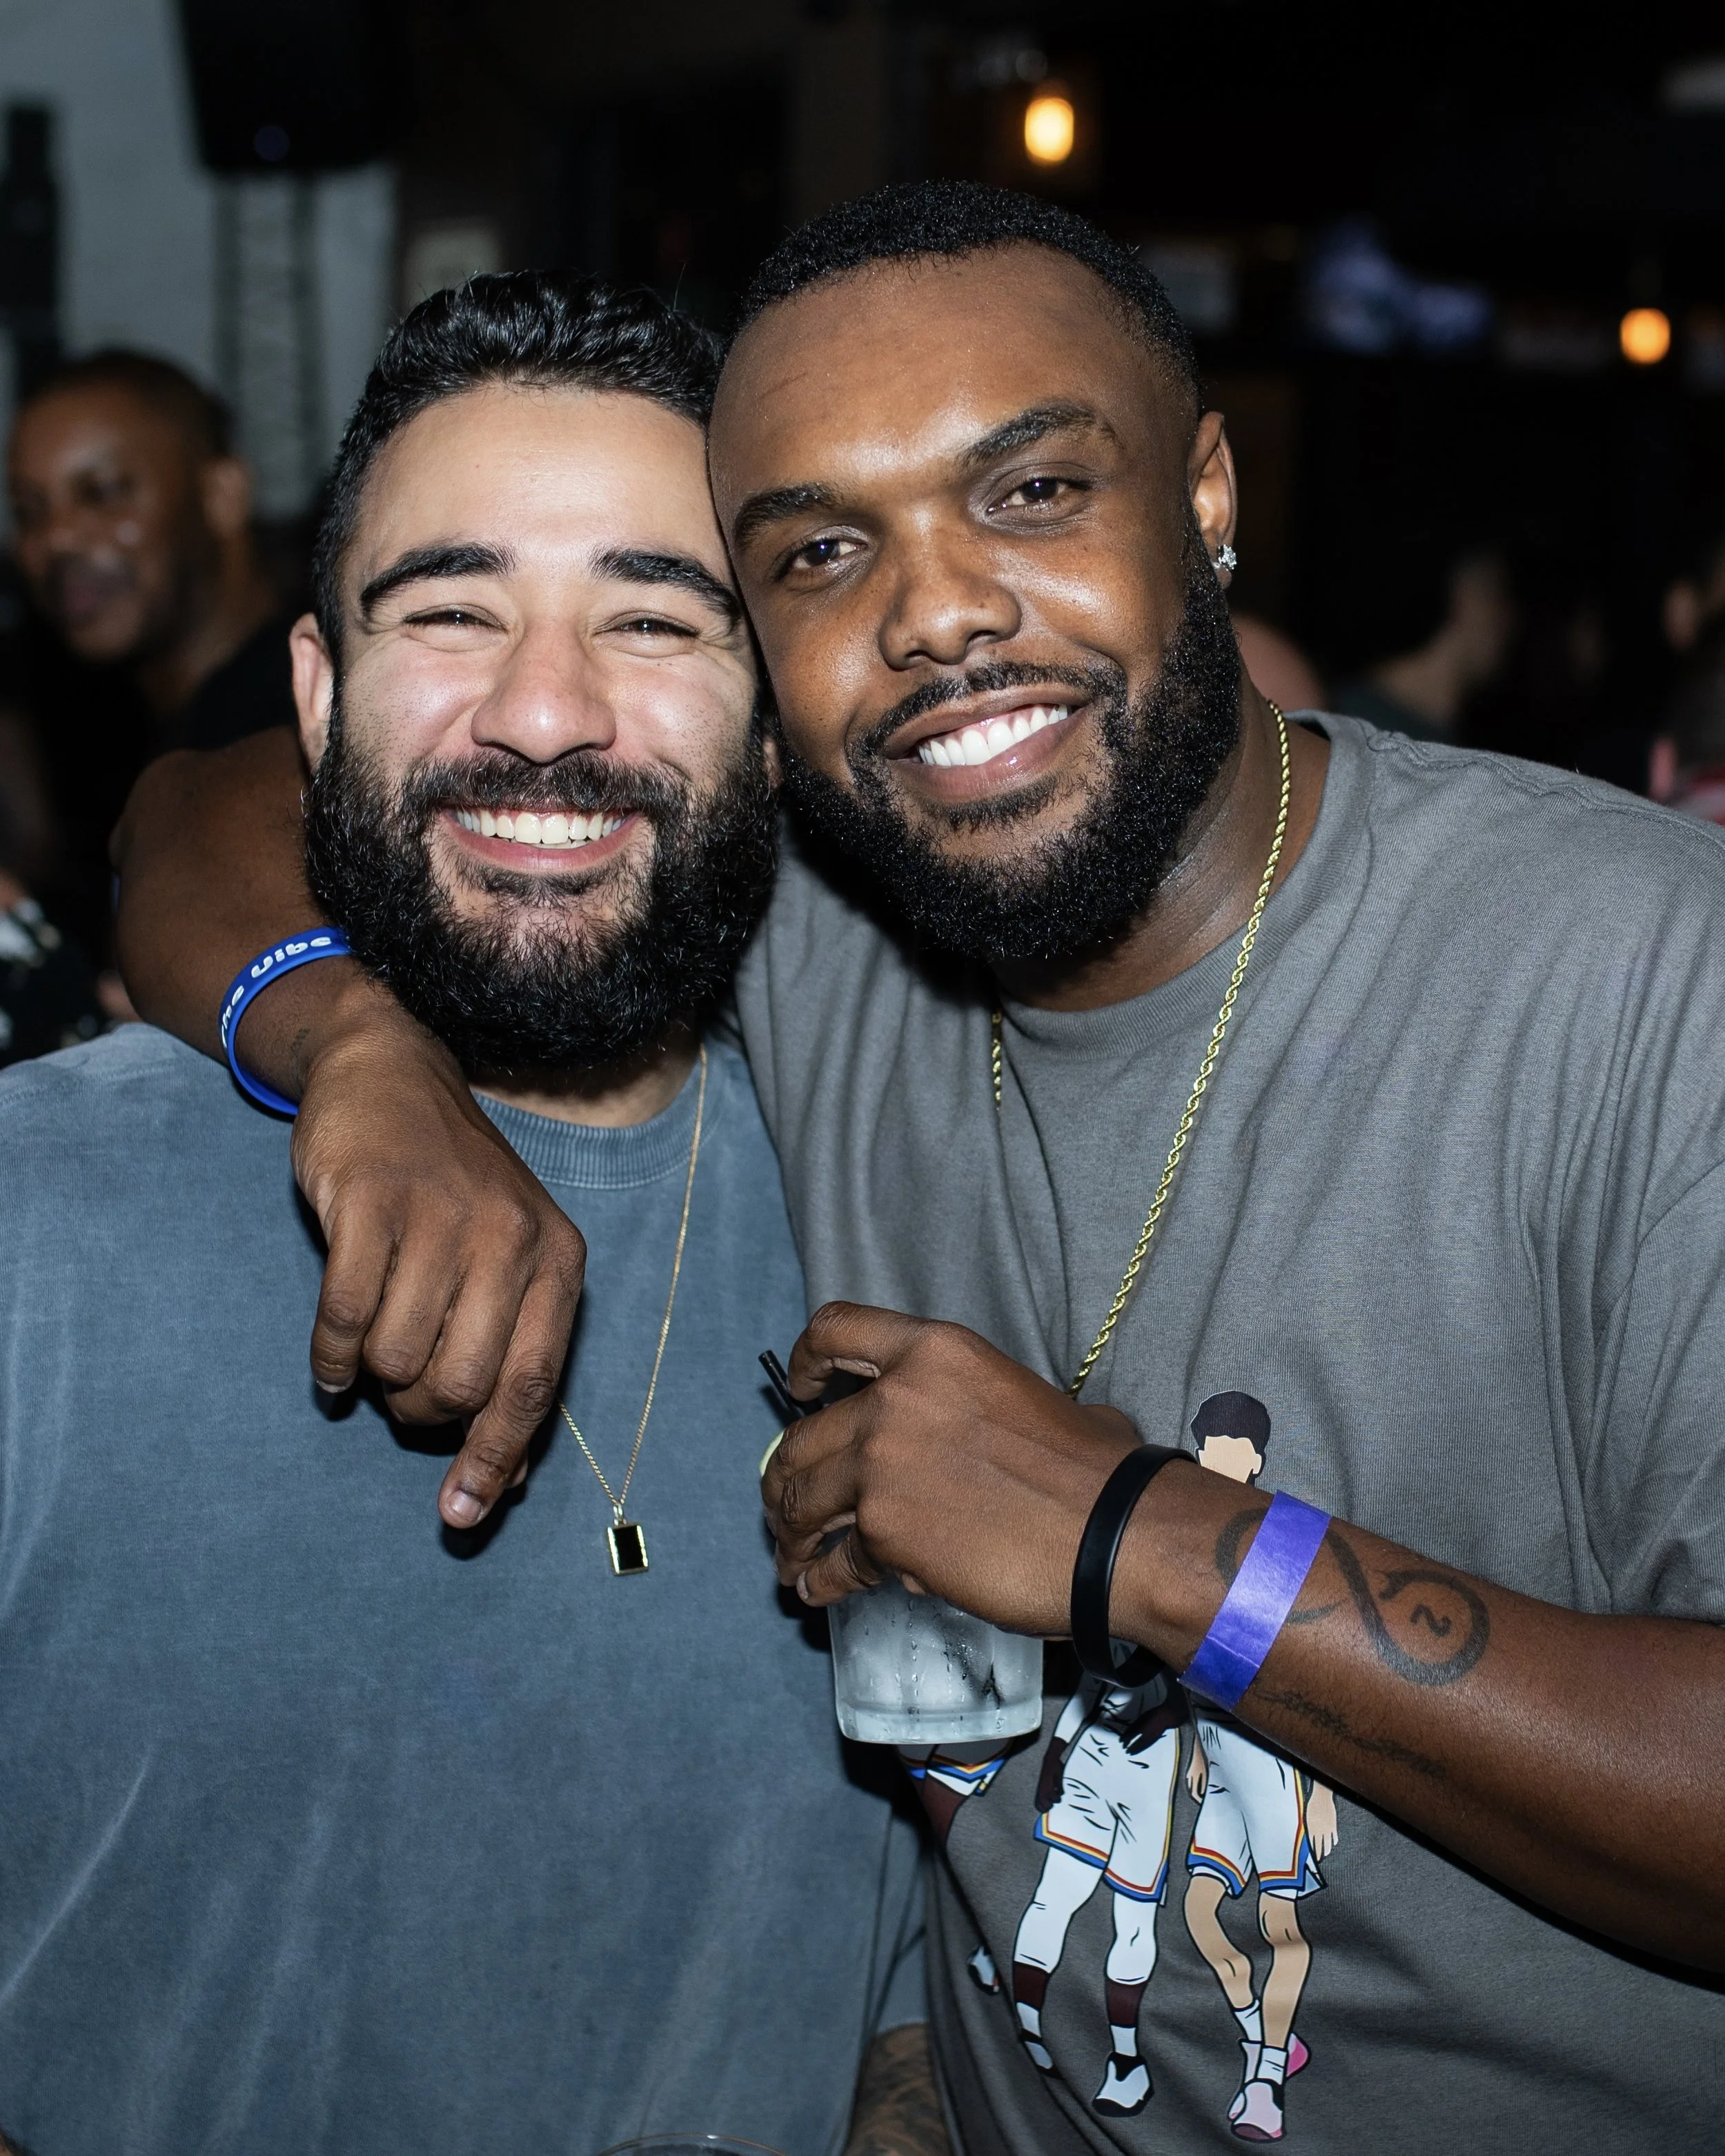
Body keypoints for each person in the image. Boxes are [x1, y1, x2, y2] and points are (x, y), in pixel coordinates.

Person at [113, 184, 1725, 2154]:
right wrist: (353, 1043)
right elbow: (208, 804)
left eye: (1031, 492)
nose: (936, 610)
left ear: (1204, 499)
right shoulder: (810, 922)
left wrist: (1137, 1535)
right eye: (815, 550)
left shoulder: (1641, 969)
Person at [0, 274, 929, 2156]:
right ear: (319, 693)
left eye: (651, 616)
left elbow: (931, 1962)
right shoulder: (38, 1219)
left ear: (771, 728)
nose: (542, 708)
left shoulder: (910, 1205)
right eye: (452, 608)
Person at [1330, 531, 1515, 742]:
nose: (1508, 621)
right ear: (1466, 597)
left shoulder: (1454, 738)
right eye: (1500, 598)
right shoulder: (1349, 722)